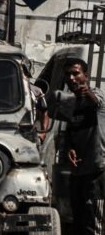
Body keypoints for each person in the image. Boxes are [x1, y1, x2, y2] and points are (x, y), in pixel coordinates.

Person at [61, 58, 105, 234]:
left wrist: (87, 92)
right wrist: (70, 149)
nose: (71, 78)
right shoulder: (72, 105)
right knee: (79, 223)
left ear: (85, 76)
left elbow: (96, 102)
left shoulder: (97, 94)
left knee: (95, 224)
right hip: (78, 173)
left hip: (97, 171)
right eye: (68, 74)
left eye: (75, 73)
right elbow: (70, 133)